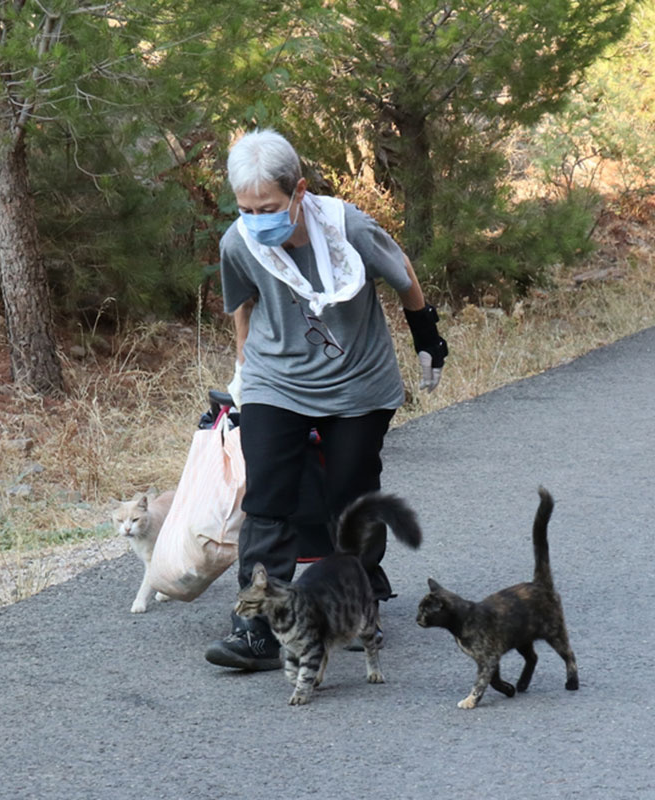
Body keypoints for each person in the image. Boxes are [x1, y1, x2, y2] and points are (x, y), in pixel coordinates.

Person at [205, 129, 447, 671]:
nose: (255, 217)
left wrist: (427, 339)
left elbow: (402, 272)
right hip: (276, 379)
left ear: (299, 193)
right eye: (245, 207)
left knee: (350, 497)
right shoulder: (239, 241)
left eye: (267, 206)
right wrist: (244, 370)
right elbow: (242, 302)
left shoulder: (347, 227)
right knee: (267, 496)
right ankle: (259, 626)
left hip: (356, 380)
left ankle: (355, 607)